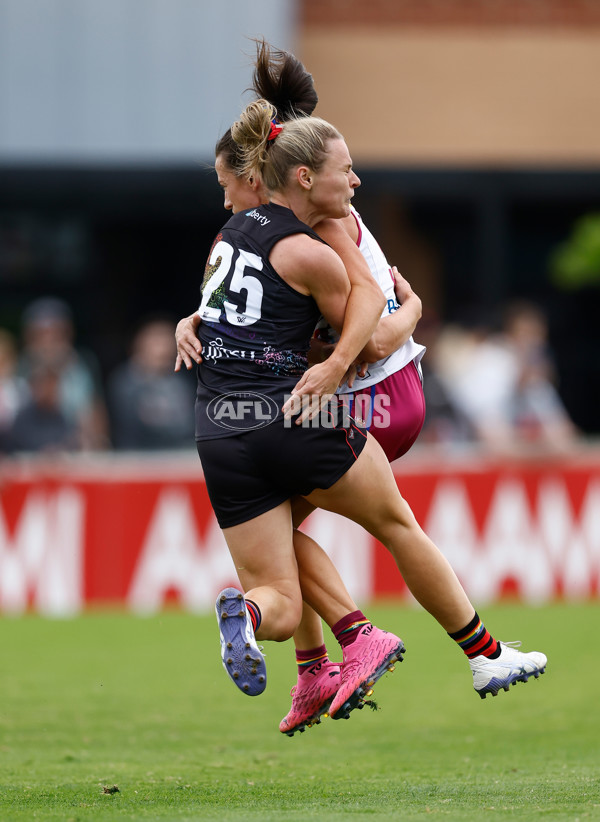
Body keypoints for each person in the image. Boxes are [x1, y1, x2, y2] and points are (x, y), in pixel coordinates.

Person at [183, 99, 547, 731]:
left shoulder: (229, 240)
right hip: (349, 401)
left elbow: (236, 316)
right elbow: (374, 335)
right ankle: (473, 655)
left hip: (219, 426)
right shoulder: (316, 239)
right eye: (345, 170)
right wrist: (409, 315)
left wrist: (190, 321)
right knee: (394, 524)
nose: (355, 182)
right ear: (299, 176)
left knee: (279, 572)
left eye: (225, 185)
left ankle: (290, 643)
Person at [18, 297, 108, 450]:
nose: (49, 342)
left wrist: (95, 441)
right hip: (29, 453)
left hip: (75, 450)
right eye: (41, 335)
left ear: (68, 334)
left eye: (56, 334)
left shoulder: (82, 365)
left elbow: (96, 413)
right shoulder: (19, 368)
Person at [107, 316, 196, 450]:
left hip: (179, 455)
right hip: (138, 456)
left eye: (169, 341)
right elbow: (134, 426)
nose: (165, 348)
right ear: (140, 344)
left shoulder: (180, 382)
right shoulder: (125, 381)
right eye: (158, 342)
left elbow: (191, 423)